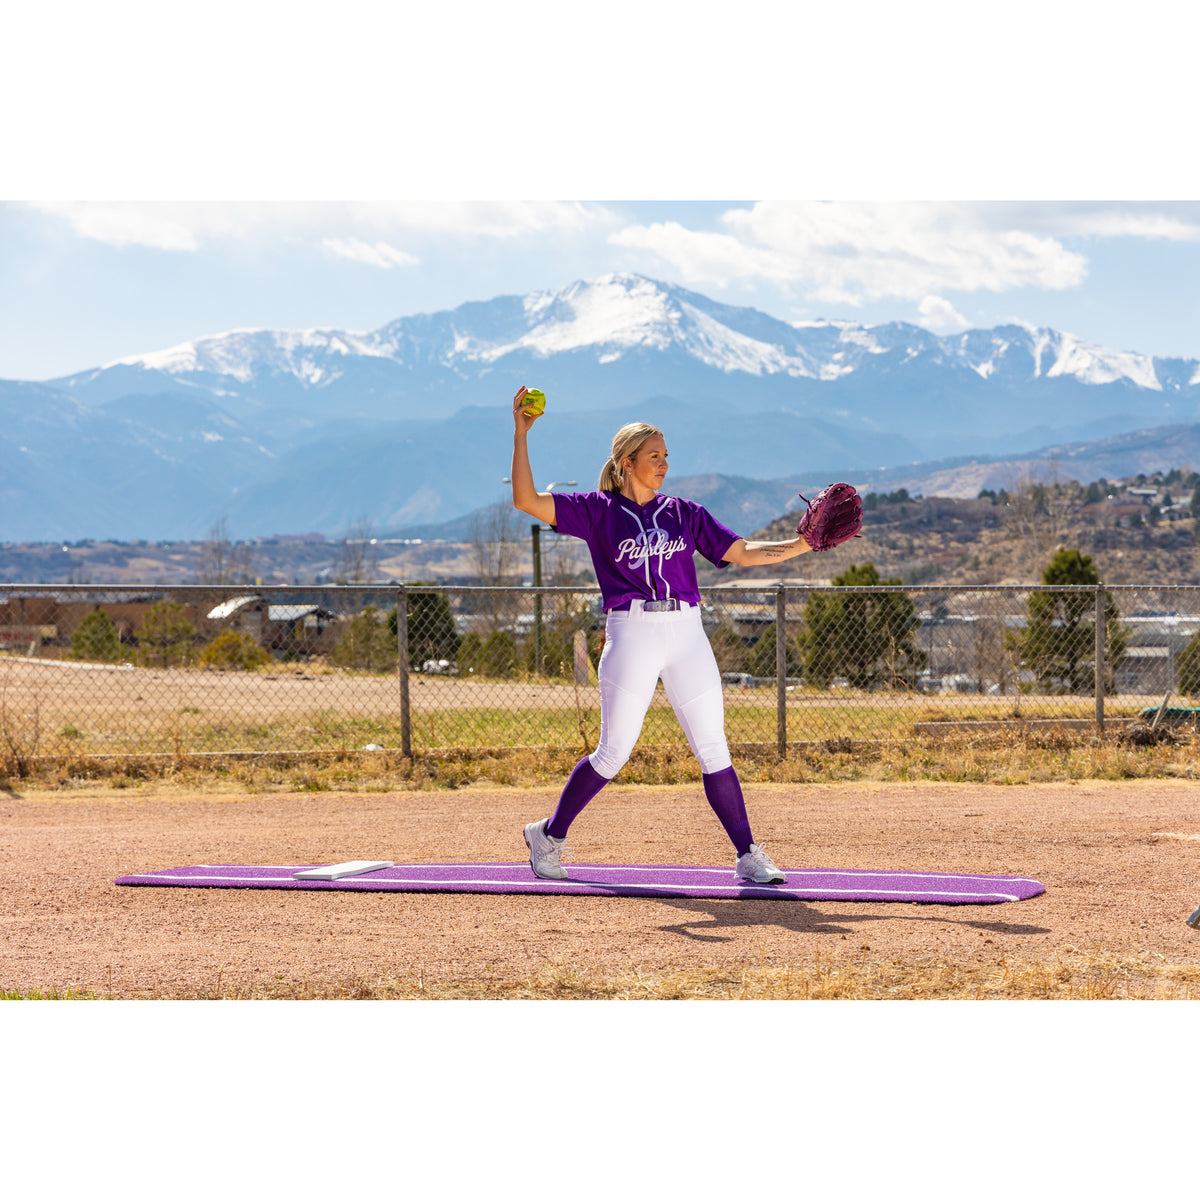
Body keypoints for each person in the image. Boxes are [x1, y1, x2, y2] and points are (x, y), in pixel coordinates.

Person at [510, 385, 815, 884]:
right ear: (626, 462)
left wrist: (802, 544)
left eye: (667, 455)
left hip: (686, 632)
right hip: (632, 633)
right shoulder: (597, 510)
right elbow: (525, 499)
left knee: (714, 748)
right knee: (613, 753)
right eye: (654, 456)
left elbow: (742, 552)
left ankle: (747, 854)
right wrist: (521, 434)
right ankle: (548, 835)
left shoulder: (684, 512)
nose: (664, 464)